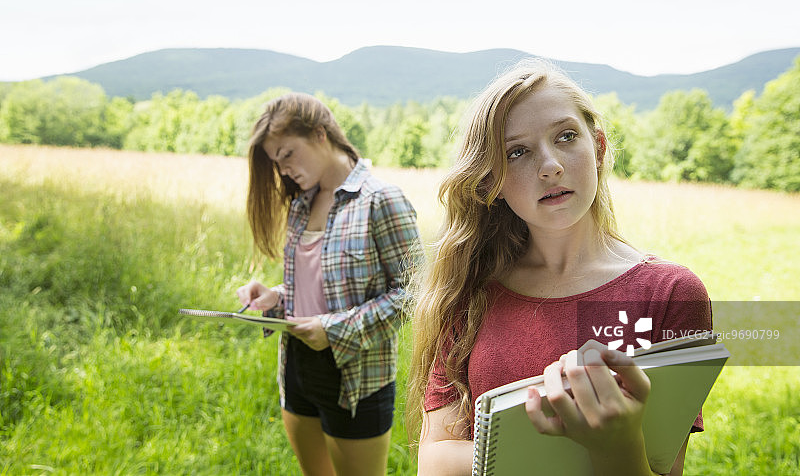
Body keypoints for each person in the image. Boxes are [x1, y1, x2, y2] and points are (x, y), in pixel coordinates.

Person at [406, 59, 712, 476]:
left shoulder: (670, 292)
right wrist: (585, 454)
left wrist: (616, 447)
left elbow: (665, 468)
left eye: (566, 136)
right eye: (518, 152)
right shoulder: (470, 288)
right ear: (491, 181)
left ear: (599, 148)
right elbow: (434, 462)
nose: (550, 165)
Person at [237, 92, 421, 476]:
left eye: (287, 154)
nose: (283, 169)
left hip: (356, 378)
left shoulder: (380, 200)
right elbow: (318, 287)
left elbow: (412, 294)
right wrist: (275, 298)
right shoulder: (301, 203)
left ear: (321, 135)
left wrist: (334, 331)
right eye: (276, 162)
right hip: (297, 368)